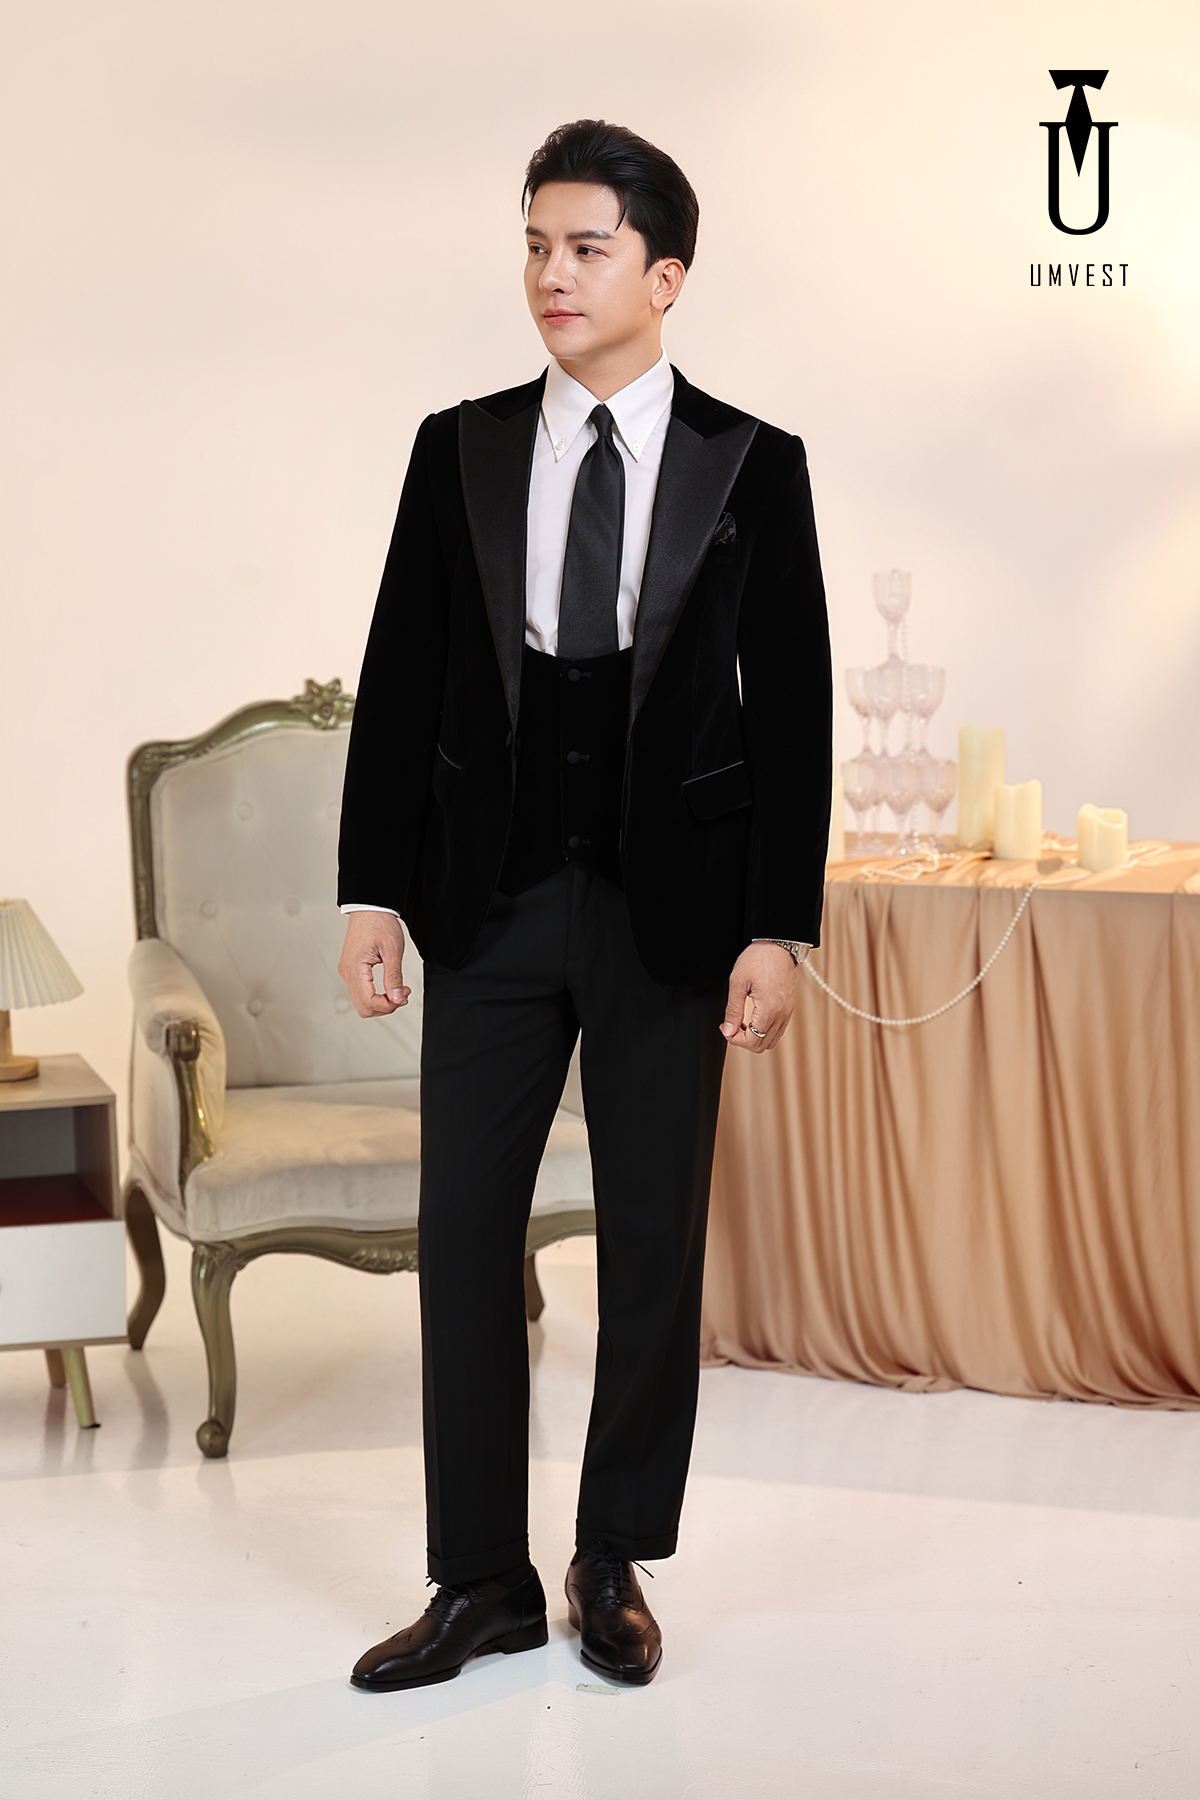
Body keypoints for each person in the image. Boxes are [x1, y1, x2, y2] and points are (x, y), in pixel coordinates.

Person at [336, 118, 831, 1690]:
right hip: (487, 901)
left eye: (588, 248)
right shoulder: (461, 448)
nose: (553, 274)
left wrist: (779, 927)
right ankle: (479, 1577)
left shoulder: (752, 463)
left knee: (653, 1242)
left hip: (670, 914)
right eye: (538, 246)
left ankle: (612, 1555)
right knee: (465, 1235)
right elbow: (401, 674)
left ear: (664, 276)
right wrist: (370, 891)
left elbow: (794, 708)